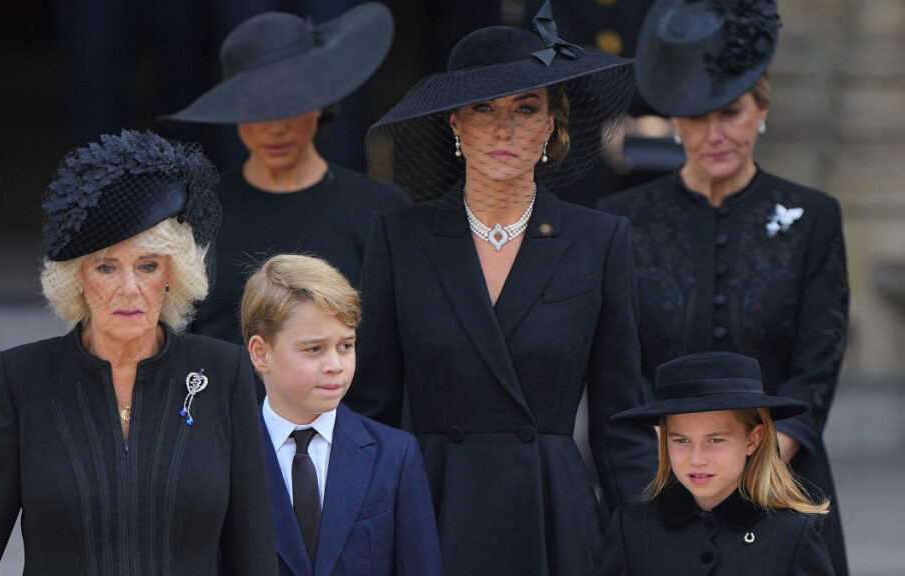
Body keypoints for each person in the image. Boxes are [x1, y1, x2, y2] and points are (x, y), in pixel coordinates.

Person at [342, 3, 657, 575]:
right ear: (454, 123)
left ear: (552, 124)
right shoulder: (398, 239)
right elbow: (370, 415)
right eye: (483, 108)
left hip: (551, 521)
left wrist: (652, 547)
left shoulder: (599, 240)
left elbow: (620, 426)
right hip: (431, 514)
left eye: (525, 108)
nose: (504, 128)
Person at [0, 130, 278, 575]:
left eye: (148, 266)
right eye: (106, 266)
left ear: (173, 274)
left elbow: (253, 552)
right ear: (77, 277)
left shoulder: (222, 371)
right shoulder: (21, 378)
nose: (129, 289)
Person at [595, 2, 849, 573]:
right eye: (696, 116)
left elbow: (818, 367)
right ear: (674, 119)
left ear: (760, 109)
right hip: (657, 485)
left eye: (731, 112)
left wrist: (752, 467)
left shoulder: (814, 216)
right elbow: (619, 365)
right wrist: (673, 472)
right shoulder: (620, 219)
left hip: (782, 484)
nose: (714, 134)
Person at [162, 3, 409, 352]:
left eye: (291, 101)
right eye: (257, 106)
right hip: (222, 403)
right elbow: (171, 343)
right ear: (235, 109)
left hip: (344, 404)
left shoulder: (380, 210)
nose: (276, 126)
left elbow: (402, 342)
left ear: (321, 99)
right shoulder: (196, 214)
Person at [241, 254, 442, 576]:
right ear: (261, 353)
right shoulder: (224, 455)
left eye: (346, 345)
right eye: (314, 349)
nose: (335, 364)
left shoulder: (394, 454)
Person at [599, 351, 835, 575]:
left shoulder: (791, 536)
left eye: (715, 440)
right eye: (682, 440)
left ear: (753, 440)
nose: (697, 459)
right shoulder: (632, 530)